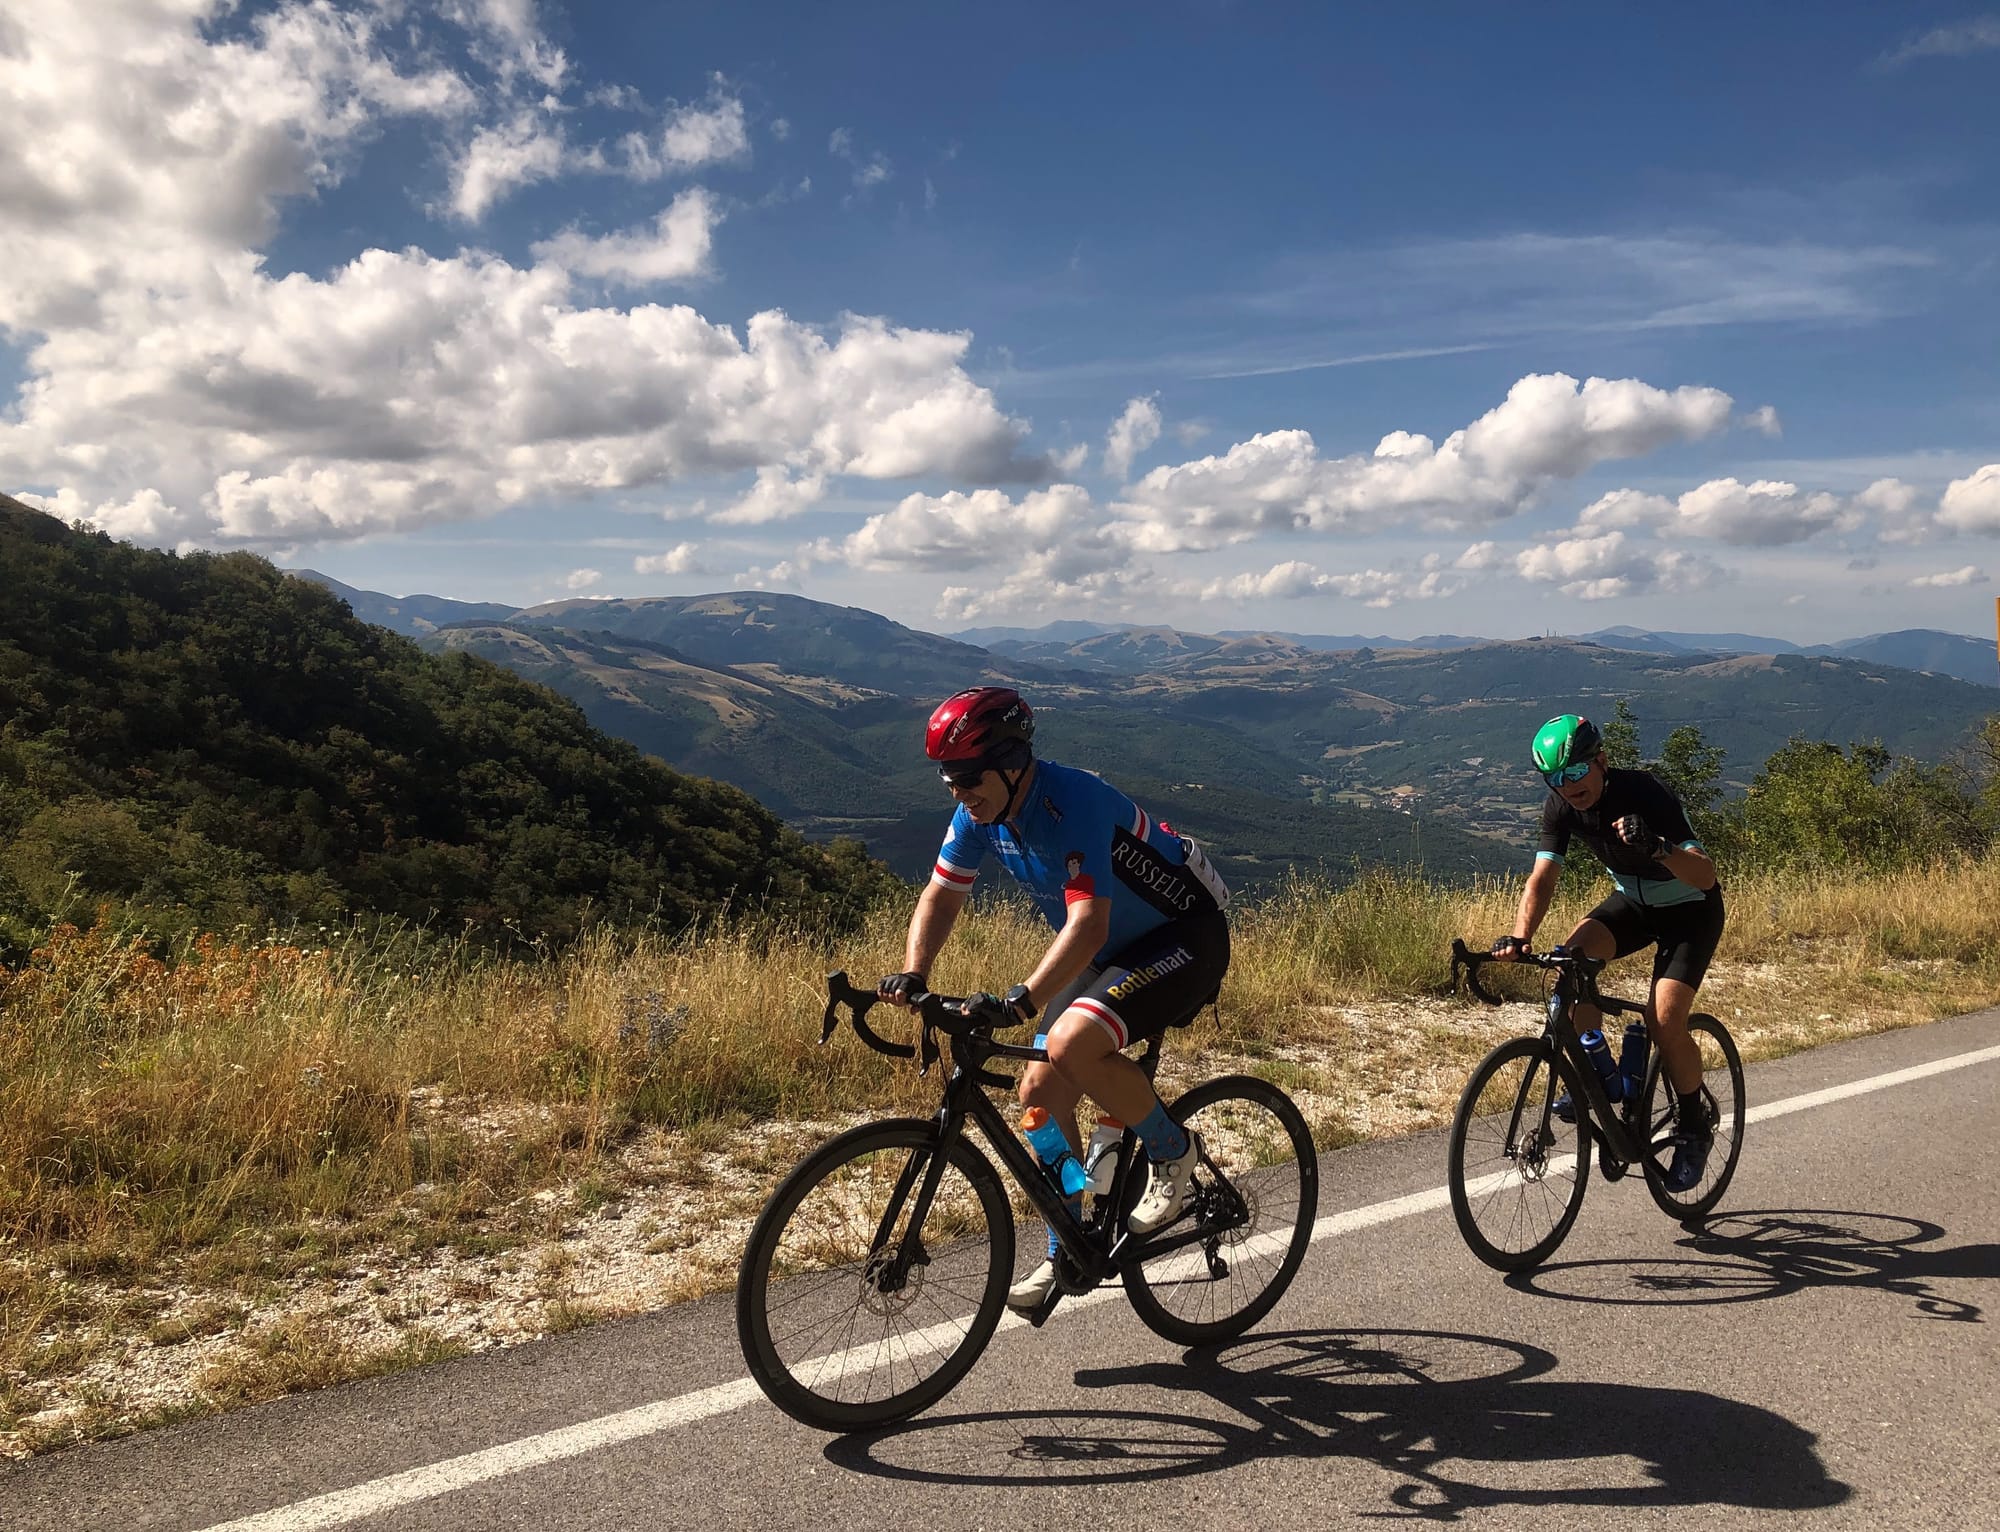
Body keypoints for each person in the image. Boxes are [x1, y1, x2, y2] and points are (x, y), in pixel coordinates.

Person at [879, 685, 1232, 1311]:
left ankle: (1172, 1151)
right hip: (1110, 953)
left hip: (1184, 939)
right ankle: (1065, 1244)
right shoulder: (981, 813)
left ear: (1013, 764)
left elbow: (1088, 923)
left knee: (1070, 1044)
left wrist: (1022, 1002)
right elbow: (941, 895)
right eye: (949, 781)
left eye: (968, 778)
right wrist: (914, 973)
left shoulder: (1074, 801)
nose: (960, 794)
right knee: (1038, 1092)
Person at [1492, 713, 1725, 1192]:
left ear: (1600, 761)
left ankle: (1694, 1122)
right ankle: (1599, 1085)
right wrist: (1519, 935)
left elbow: (1705, 875)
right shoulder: (1560, 807)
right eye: (1554, 778)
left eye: (1575, 772)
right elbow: (1542, 878)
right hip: (1634, 906)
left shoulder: (1643, 792)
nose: (1567, 786)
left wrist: (1658, 846)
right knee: (1567, 970)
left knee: (1664, 1020)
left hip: (1690, 911)